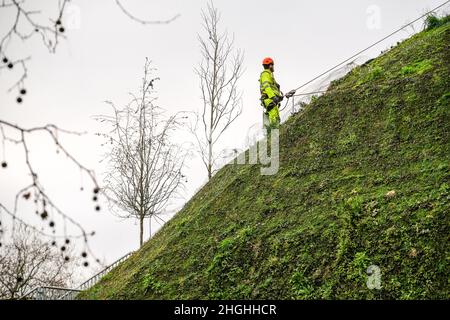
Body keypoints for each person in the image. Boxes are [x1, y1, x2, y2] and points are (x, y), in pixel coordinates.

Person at [259, 57, 295, 134]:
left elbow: (274, 89)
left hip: (272, 100)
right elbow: (266, 86)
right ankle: (274, 135)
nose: (273, 67)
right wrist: (273, 96)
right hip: (269, 100)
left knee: (276, 118)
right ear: (270, 65)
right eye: (273, 65)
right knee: (274, 118)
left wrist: (281, 96)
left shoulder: (270, 76)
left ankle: (274, 135)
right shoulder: (265, 74)